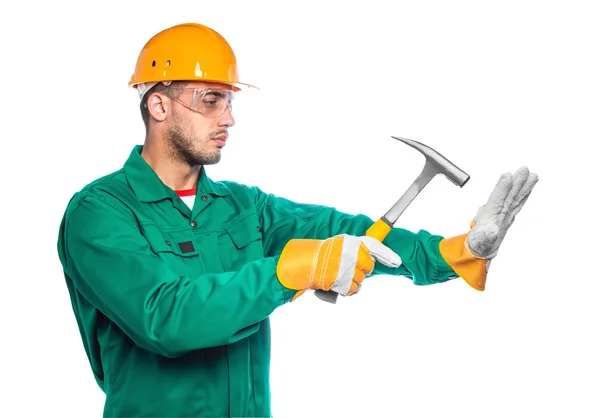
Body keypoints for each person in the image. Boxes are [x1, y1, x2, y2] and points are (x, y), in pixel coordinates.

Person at [56, 22, 538, 418]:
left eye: (230, 102)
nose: (228, 119)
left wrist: (457, 251)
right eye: (210, 101)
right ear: (158, 104)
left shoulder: (244, 207)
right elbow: (165, 319)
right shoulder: (100, 212)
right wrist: (292, 270)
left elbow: (344, 231)